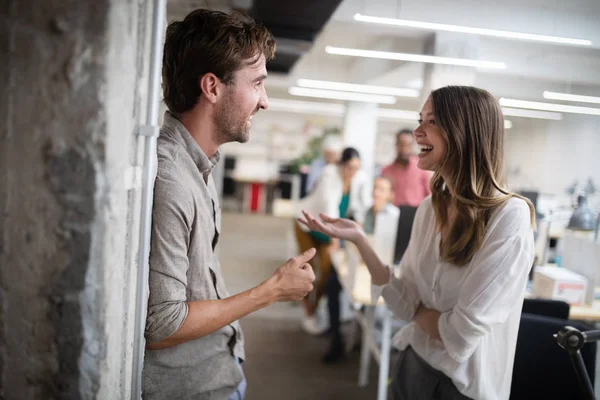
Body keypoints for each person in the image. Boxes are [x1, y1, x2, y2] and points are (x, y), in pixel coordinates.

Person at [300, 85, 535, 400]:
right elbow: (400, 301)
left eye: (432, 121)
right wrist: (358, 238)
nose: (417, 131)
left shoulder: (509, 216)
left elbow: (460, 336)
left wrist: (417, 310)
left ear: (465, 132)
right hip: (412, 365)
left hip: (460, 389)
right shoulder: (430, 207)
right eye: (419, 119)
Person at [143, 10, 316, 400]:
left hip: (218, 370)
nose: (264, 101)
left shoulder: (199, 167)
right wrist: (270, 291)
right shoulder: (171, 180)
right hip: (192, 389)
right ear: (212, 87)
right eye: (257, 84)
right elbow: (162, 325)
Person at [294, 147, 371, 341]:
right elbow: (329, 206)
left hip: (329, 229)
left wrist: (359, 233)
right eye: (350, 167)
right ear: (341, 165)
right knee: (306, 270)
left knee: (327, 272)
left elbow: (361, 206)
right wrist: (334, 240)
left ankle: (318, 307)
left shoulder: (359, 178)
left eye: (356, 168)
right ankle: (309, 313)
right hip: (308, 225)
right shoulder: (330, 174)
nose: (353, 172)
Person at [381, 129, 432, 207]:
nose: (404, 149)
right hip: (395, 213)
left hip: (416, 213)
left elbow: (430, 196)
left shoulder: (422, 168)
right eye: (401, 145)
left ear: (412, 146)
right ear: (396, 145)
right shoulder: (386, 171)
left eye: (408, 145)